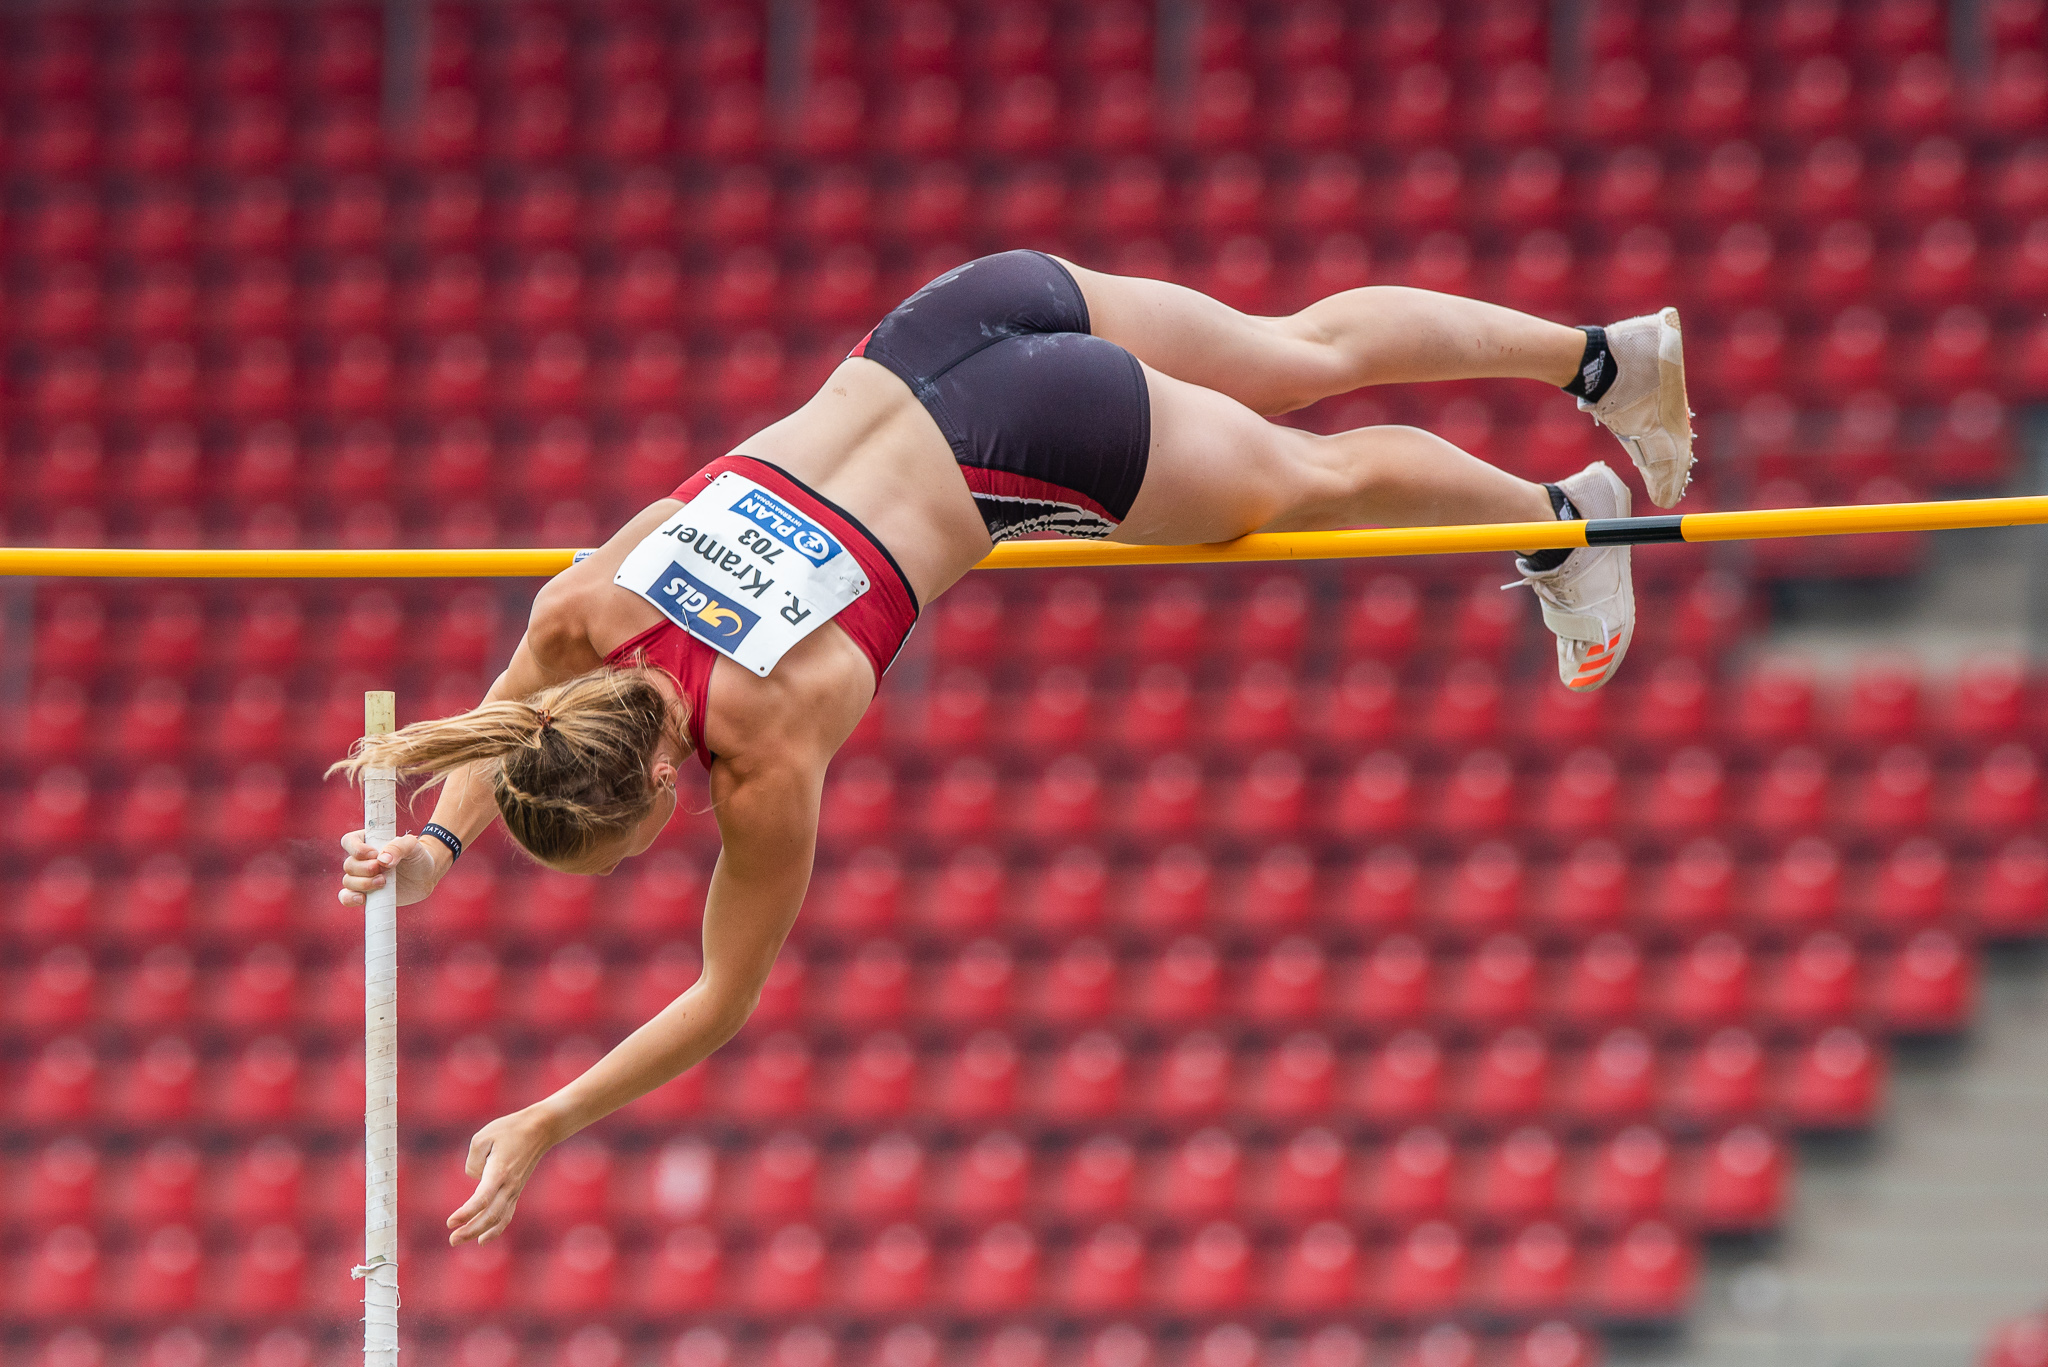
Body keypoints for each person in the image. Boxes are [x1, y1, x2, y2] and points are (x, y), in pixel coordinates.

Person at [333, 251, 1692, 1245]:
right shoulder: (579, 616)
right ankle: (1603, 357)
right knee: (1304, 348)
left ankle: (1562, 517)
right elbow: (508, 710)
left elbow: (721, 997)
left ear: (644, 792)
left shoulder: (760, 752)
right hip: (957, 318)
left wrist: (547, 1119)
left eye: (632, 847)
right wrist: (443, 841)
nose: (654, 854)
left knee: (1317, 479)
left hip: (1029, 441)